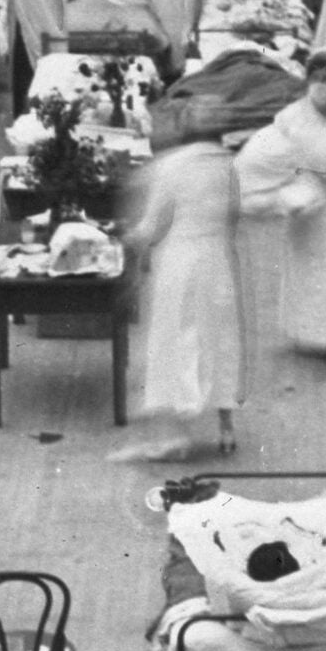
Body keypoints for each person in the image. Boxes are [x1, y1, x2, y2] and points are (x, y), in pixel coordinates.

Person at [234, 48, 326, 354]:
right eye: (315, 77)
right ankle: (313, 336)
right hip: (310, 202)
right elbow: (269, 151)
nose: (321, 84)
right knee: (310, 273)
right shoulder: (291, 116)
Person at [112, 125, 245, 461]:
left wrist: (123, 238)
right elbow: (232, 216)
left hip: (180, 263)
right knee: (220, 340)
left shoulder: (171, 166)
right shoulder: (227, 164)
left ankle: (177, 433)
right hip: (217, 261)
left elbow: (150, 226)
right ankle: (226, 429)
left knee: (176, 342)